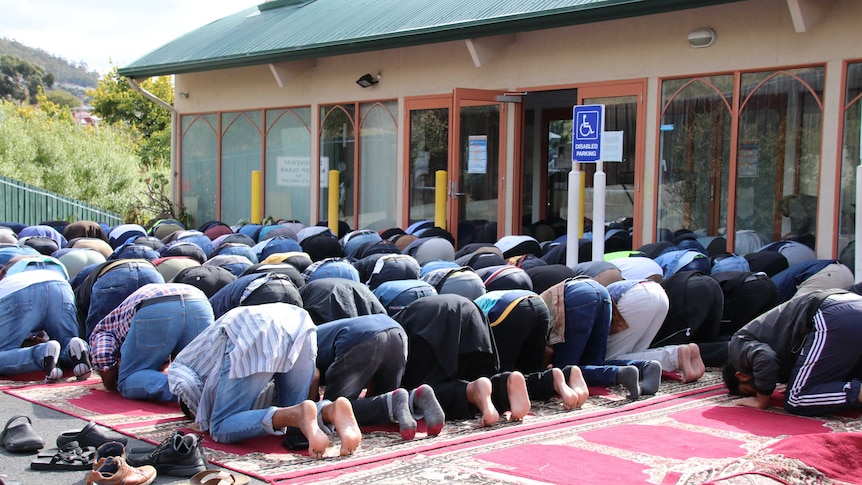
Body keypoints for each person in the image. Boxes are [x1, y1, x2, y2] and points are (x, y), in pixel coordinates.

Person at [168, 303, 361, 457]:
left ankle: (304, 414)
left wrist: (202, 417)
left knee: (219, 427)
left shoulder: (187, 373)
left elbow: (187, 389)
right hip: (297, 320)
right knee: (294, 409)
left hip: (253, 329)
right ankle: (329, 410)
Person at [723, 289, 862, 416]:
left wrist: (761, 399)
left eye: (749, 392)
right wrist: (794, 381)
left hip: (831, 314)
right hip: (852, 304)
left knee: (796, 398)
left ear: (741, 376)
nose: (755, 392)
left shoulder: (739, 343)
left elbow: (765, 358)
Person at [314, 314, 445, 439]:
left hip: (360, 337)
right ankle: (415, 399)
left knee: (334, 411)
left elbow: (313, 375)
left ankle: (394, 403)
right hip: (396, 331)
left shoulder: (300, 343)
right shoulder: (313, 332)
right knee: (384, 398)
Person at [88, 283, 214, 400]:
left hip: (155, 306)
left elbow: (102, 356)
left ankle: (191, 393)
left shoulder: (104, 330)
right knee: (199, 372)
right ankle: (215, 392)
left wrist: (110, 384)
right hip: (200, 303)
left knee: (129, 379)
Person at [0, 255, 92, 382]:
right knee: (67, 340)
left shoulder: (9, 273)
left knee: (3, 351)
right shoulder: (55, 265)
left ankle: (42, 354)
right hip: (60, 286)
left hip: (18, 288)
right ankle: (75, 347)